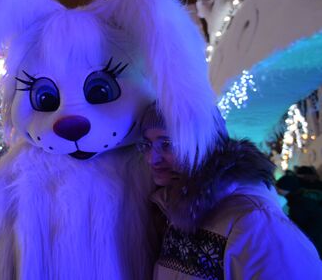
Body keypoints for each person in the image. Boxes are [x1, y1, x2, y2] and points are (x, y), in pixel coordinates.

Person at [138, 103, 322, 279]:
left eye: (168, 144)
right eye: (147, 145)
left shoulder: (254, 219)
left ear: (205, 144)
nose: (151, 159)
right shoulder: (172, 211)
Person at [277, 172, 322, 257]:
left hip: (314, 242)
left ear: (287, 188)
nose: (276, 189)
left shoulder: (298, 202)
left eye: (279, 187)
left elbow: (300, 225)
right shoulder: (298, 198)